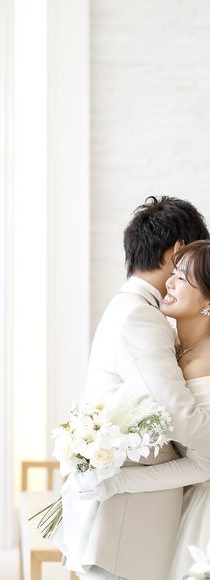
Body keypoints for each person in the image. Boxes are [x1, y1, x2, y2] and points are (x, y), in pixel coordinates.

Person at [53, 196, 210, 580]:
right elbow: (180, 416)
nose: (175, 281)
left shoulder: (134, 310)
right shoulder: (140, 317)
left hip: (133, 515)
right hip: (126, 522)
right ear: (177, 250)